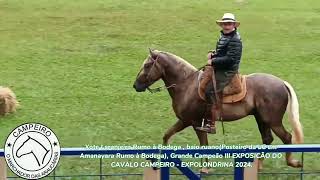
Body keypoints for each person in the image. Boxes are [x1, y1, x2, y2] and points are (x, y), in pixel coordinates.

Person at [197, 13, 243, 134]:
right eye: (224, 23)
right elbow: (222, 52)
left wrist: (213, 61)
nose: (226, 26)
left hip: (228, 70)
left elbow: (230, 59)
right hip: (220, 67)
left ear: (233, 25)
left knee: (210, 90)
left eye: (229, 23)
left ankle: (211, 124)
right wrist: (213, 54)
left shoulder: (235, 40)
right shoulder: (224, 36)